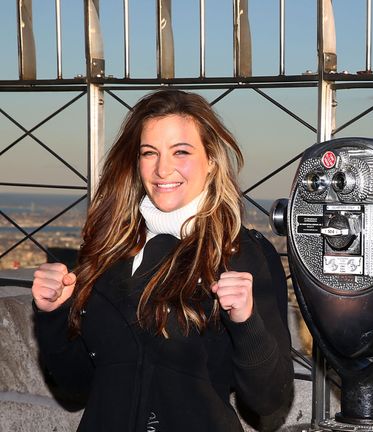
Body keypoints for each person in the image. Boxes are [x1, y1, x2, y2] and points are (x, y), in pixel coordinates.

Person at [31, 89, 294, 431]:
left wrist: (246, 322)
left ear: (211, 161)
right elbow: (76, 386)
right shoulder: (109, 247)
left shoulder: (241, 253)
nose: (162, 169)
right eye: (149, 153)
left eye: (180, 151)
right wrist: (53, 316)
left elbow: (270, 400)